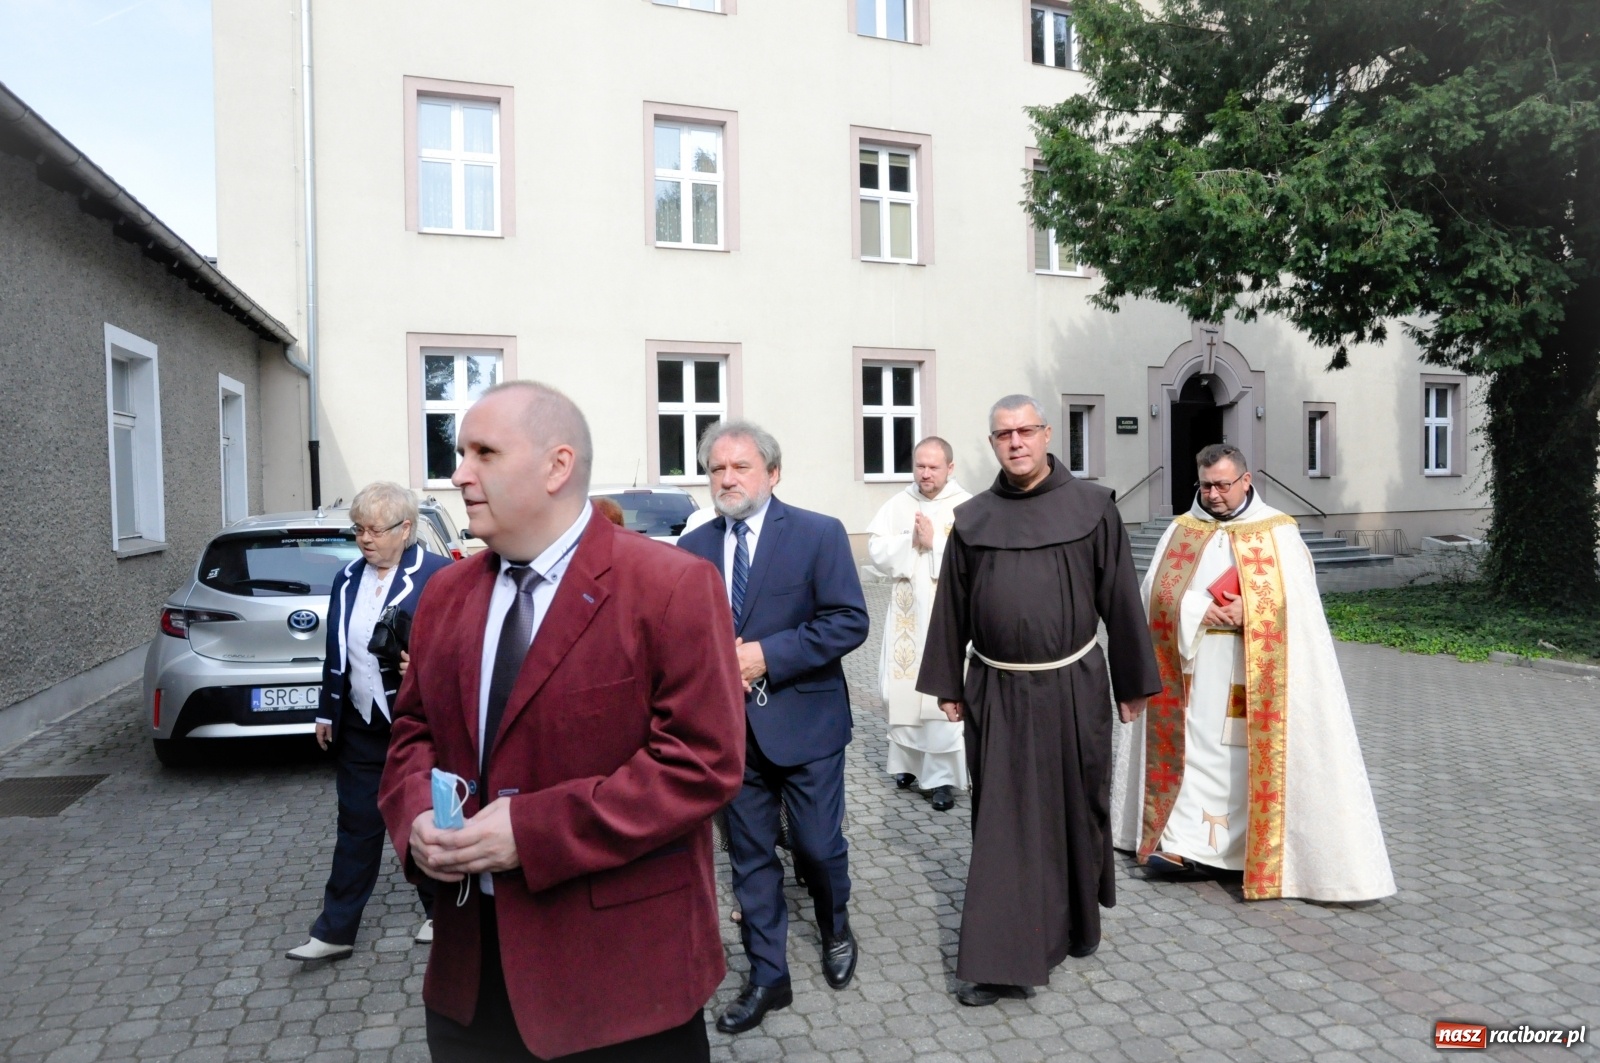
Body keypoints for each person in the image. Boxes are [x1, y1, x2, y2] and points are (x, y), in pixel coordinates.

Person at [377, 381, 746, 1062]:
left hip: (620, 990)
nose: (459, 474)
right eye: (460, 453)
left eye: (484, 452)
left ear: (557, 466)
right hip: (471, 984)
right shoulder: (446, 593)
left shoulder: (670, 585)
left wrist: (532, 830)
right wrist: (415, 819)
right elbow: (412, 732)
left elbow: (702, 763)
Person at [916, 394, 1162, 1007]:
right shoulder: (974, 518)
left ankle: (1077, 923)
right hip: (997, 688)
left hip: (1073, 683)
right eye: (1004, 435)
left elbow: (1120, 597)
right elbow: (952, 605)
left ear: (1048, 434)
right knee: (1005, 821)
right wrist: (947, 683)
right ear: (992, 444)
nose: (1016, 442)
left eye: (1026, 431)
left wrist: (1133, 682)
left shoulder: (1093, 508)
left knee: (1077, 807)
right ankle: (1004, 960)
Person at [1109, 444, 1395, 901]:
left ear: (1246, 480)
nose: (1214, 495)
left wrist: (1254, 610)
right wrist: (1198, 609)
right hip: (1195, 671)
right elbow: (1154, 596)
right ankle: (1185, 847)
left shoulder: (1278, 532)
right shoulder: (1181, 530)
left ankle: (1252, 856)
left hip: (1256, 675)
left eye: (1223, 485)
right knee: (1195, 754)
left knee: (1243, 761)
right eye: (1206, 485)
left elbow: (1300, 605)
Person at [677, 421, 870, 1035]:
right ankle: (768, 976)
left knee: (817, 845)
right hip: (730, 734)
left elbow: (849, 621)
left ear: (773, 473)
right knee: (750, 857)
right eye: (717, 469)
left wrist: (767, 655)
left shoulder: (818, 533)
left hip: (807, 723)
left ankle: (835, 926)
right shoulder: (694, 547)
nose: (727, 479)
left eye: (741, 467)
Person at [288, 482, 451, 963]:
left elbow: (466, 648)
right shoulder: (347, 578)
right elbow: (336, 650)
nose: (364, 539)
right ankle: (335, 930)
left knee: (423, 819)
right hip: (359, 724)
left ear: (405, 528)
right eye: (358, 529)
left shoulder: (440, 576)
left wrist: (427, 664)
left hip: (417, 725)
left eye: (375, 530)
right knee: (356, 827)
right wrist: (326, 710)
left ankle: (444, 913)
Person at [865, 437, 972, 811]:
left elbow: (978, 561)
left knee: (941, 700)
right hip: (907, 621)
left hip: (948, 619)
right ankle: (907, 765)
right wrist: (910, 541)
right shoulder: (899, 503)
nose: (925, 474)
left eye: (933, 467)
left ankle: (942, 779)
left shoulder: (966, 506)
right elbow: (876, 550)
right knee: (903, 695)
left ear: (950, 468)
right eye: (920, 466)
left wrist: (935, 544)